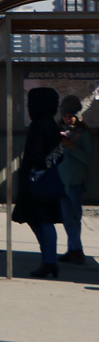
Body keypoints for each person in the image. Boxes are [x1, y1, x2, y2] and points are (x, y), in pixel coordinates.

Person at [13, 86, 64, 278]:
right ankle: (48, 260)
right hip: (47, 180)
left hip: (34, 181)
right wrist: (46, 166)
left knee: (39, 220)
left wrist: (36, 168)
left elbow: (34, 154)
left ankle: (49, 260)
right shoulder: (51, 124)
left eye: (30, 102)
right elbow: (59, 154)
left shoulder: (37, 125)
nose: (28, 106)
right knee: (43, 219)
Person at [58, 94, 93, 265]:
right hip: (61, 181)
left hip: (76, 182)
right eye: (65, 116)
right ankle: (73, 249)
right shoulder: (58, 132)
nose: (68, 119)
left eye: (71, 116)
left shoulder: (84, 135)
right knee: (67, 217)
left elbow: (87, 159)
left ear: (77, 116)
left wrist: (71, 147)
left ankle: (76, 249)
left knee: (74, 217)